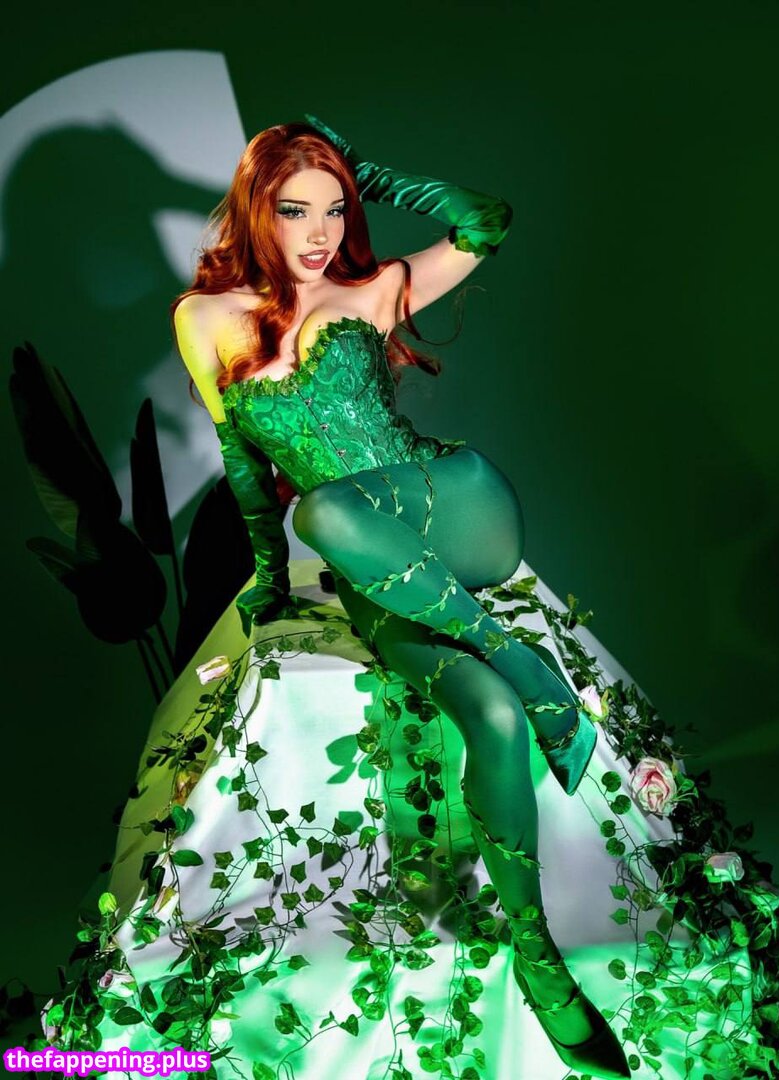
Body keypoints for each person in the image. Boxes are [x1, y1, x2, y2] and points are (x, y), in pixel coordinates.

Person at [172, 116, 631, 1079]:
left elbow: (485, 220)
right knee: (492, 718)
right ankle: (541, 963)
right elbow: (245, 467)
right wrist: (267, 577)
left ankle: (513, 653)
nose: (321, 233)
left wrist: (368, 170)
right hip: (374, 565)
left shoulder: (379, 286)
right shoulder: (205, 319)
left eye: (336, 209)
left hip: (459, 509)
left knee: (326, 509)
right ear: (256, 209)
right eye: (296, 210)